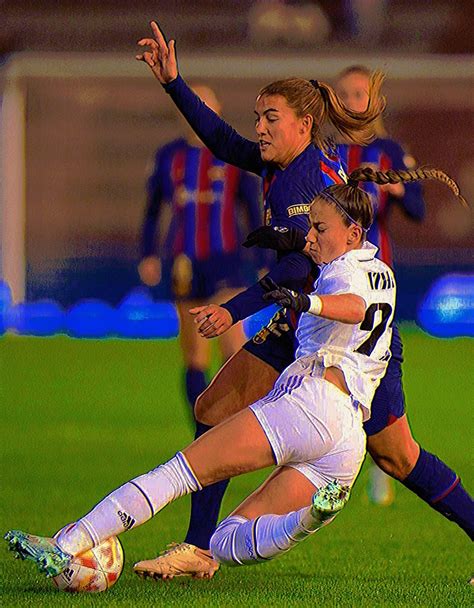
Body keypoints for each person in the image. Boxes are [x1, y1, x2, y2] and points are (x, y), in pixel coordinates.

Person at [128, 23, 473, 581]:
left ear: (303, 124)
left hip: (350, 332)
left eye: (270, 119)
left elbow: (296, 270)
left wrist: (232, 311)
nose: (258, 129)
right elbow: (223, 142)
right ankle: (197, 547)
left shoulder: (298, 183)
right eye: (259, 117)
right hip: (308, 318)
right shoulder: (289, 163)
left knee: (399, 456)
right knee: (214, 408)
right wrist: (174, 82)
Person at [5, 177, 397, 580]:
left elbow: (353, 307)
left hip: (313, 404)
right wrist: (292, 240)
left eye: (319, 228)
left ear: (353, 233)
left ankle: (66, 543)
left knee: (179, 473)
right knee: (224, 541)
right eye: (310, 226)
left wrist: (306, 301)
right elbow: (350, 288)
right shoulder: (380, 270)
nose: (311, 238)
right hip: (348, 441)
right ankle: (310, 518)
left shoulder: (343, 275)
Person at [138, 83, 264, 413]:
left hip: (227, 260)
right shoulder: (169, 157)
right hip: (184, 261)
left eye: (206, 105)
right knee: (195, 352)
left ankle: (237, 421)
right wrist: (148, 253)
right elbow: (153, 210)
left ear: (218, 110)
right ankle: (202, 426)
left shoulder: (234, 155)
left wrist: (265, 257)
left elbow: (252, 208)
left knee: (234, 346)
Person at [336, 64, 426, 505]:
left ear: (373, 101)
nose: (351, 101)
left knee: (373, 376)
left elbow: (419, 209)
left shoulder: (389, 150)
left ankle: (380, 464)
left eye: (358, 93)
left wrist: (397, 192)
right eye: (344, 94)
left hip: (376, 284)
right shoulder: (326, 151)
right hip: (334, 283)